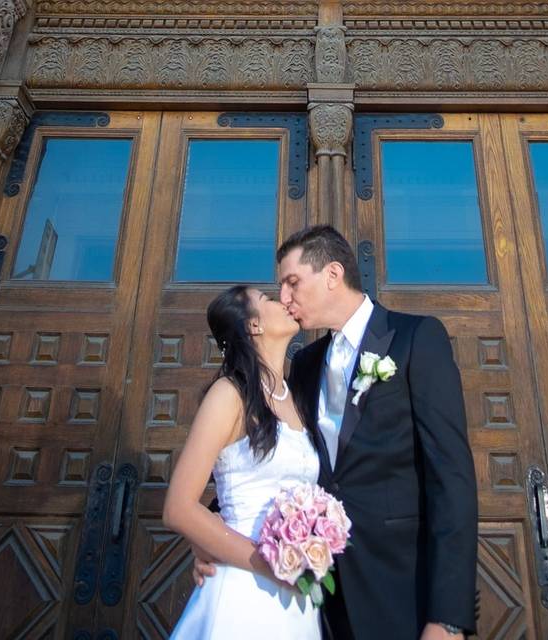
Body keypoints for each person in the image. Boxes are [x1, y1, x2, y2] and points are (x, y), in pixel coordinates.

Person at [194, 226, 479, 639]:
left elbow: (451, 479)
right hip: (319, 593)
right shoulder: (306, 363)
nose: (285, 300)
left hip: (401, 588)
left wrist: (449, 618)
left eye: (292, 283)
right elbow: (275, 459)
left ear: (332, 274)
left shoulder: (416, 339)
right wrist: (210, 532)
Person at [163, 285, 321, 639]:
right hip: (246, 588)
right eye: (268, 300)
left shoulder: (297, 398)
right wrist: (272, 564)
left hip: (299, 594)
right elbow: (178, 508)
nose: (283, 300)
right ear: (253, 326)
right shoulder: (228, 395)